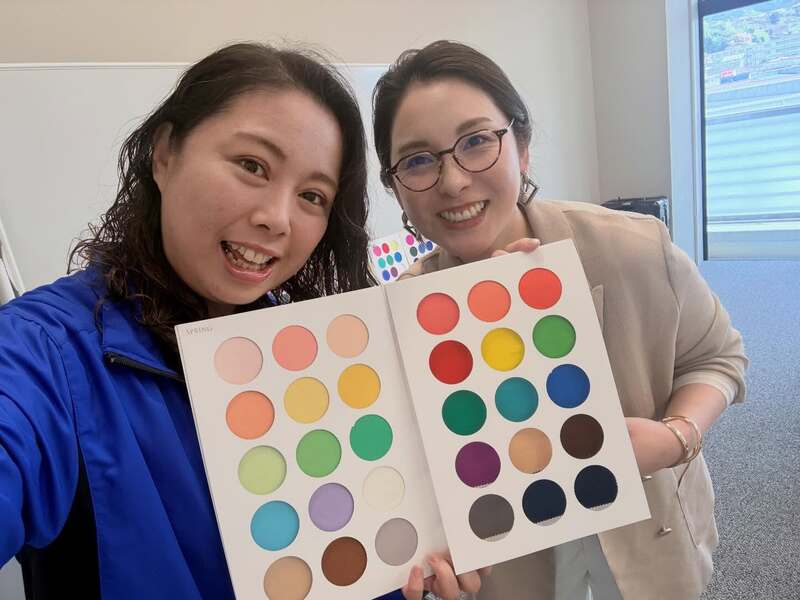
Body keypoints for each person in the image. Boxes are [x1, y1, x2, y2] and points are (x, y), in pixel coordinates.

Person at [0, 42, 378, 599]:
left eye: (312, 195)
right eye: (252, 166)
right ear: (165, 154)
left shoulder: (309, 362)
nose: (277, 218)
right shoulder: (45, 349)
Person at [372, 40, 747, 600]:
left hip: (653, 548)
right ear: (396, 186)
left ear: (521, 147)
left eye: (476, 141)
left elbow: (718, 356)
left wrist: (676, 436)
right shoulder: (400, 317)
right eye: (418, 160)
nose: (452, 181)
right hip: (513, 577)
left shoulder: (632, 248)